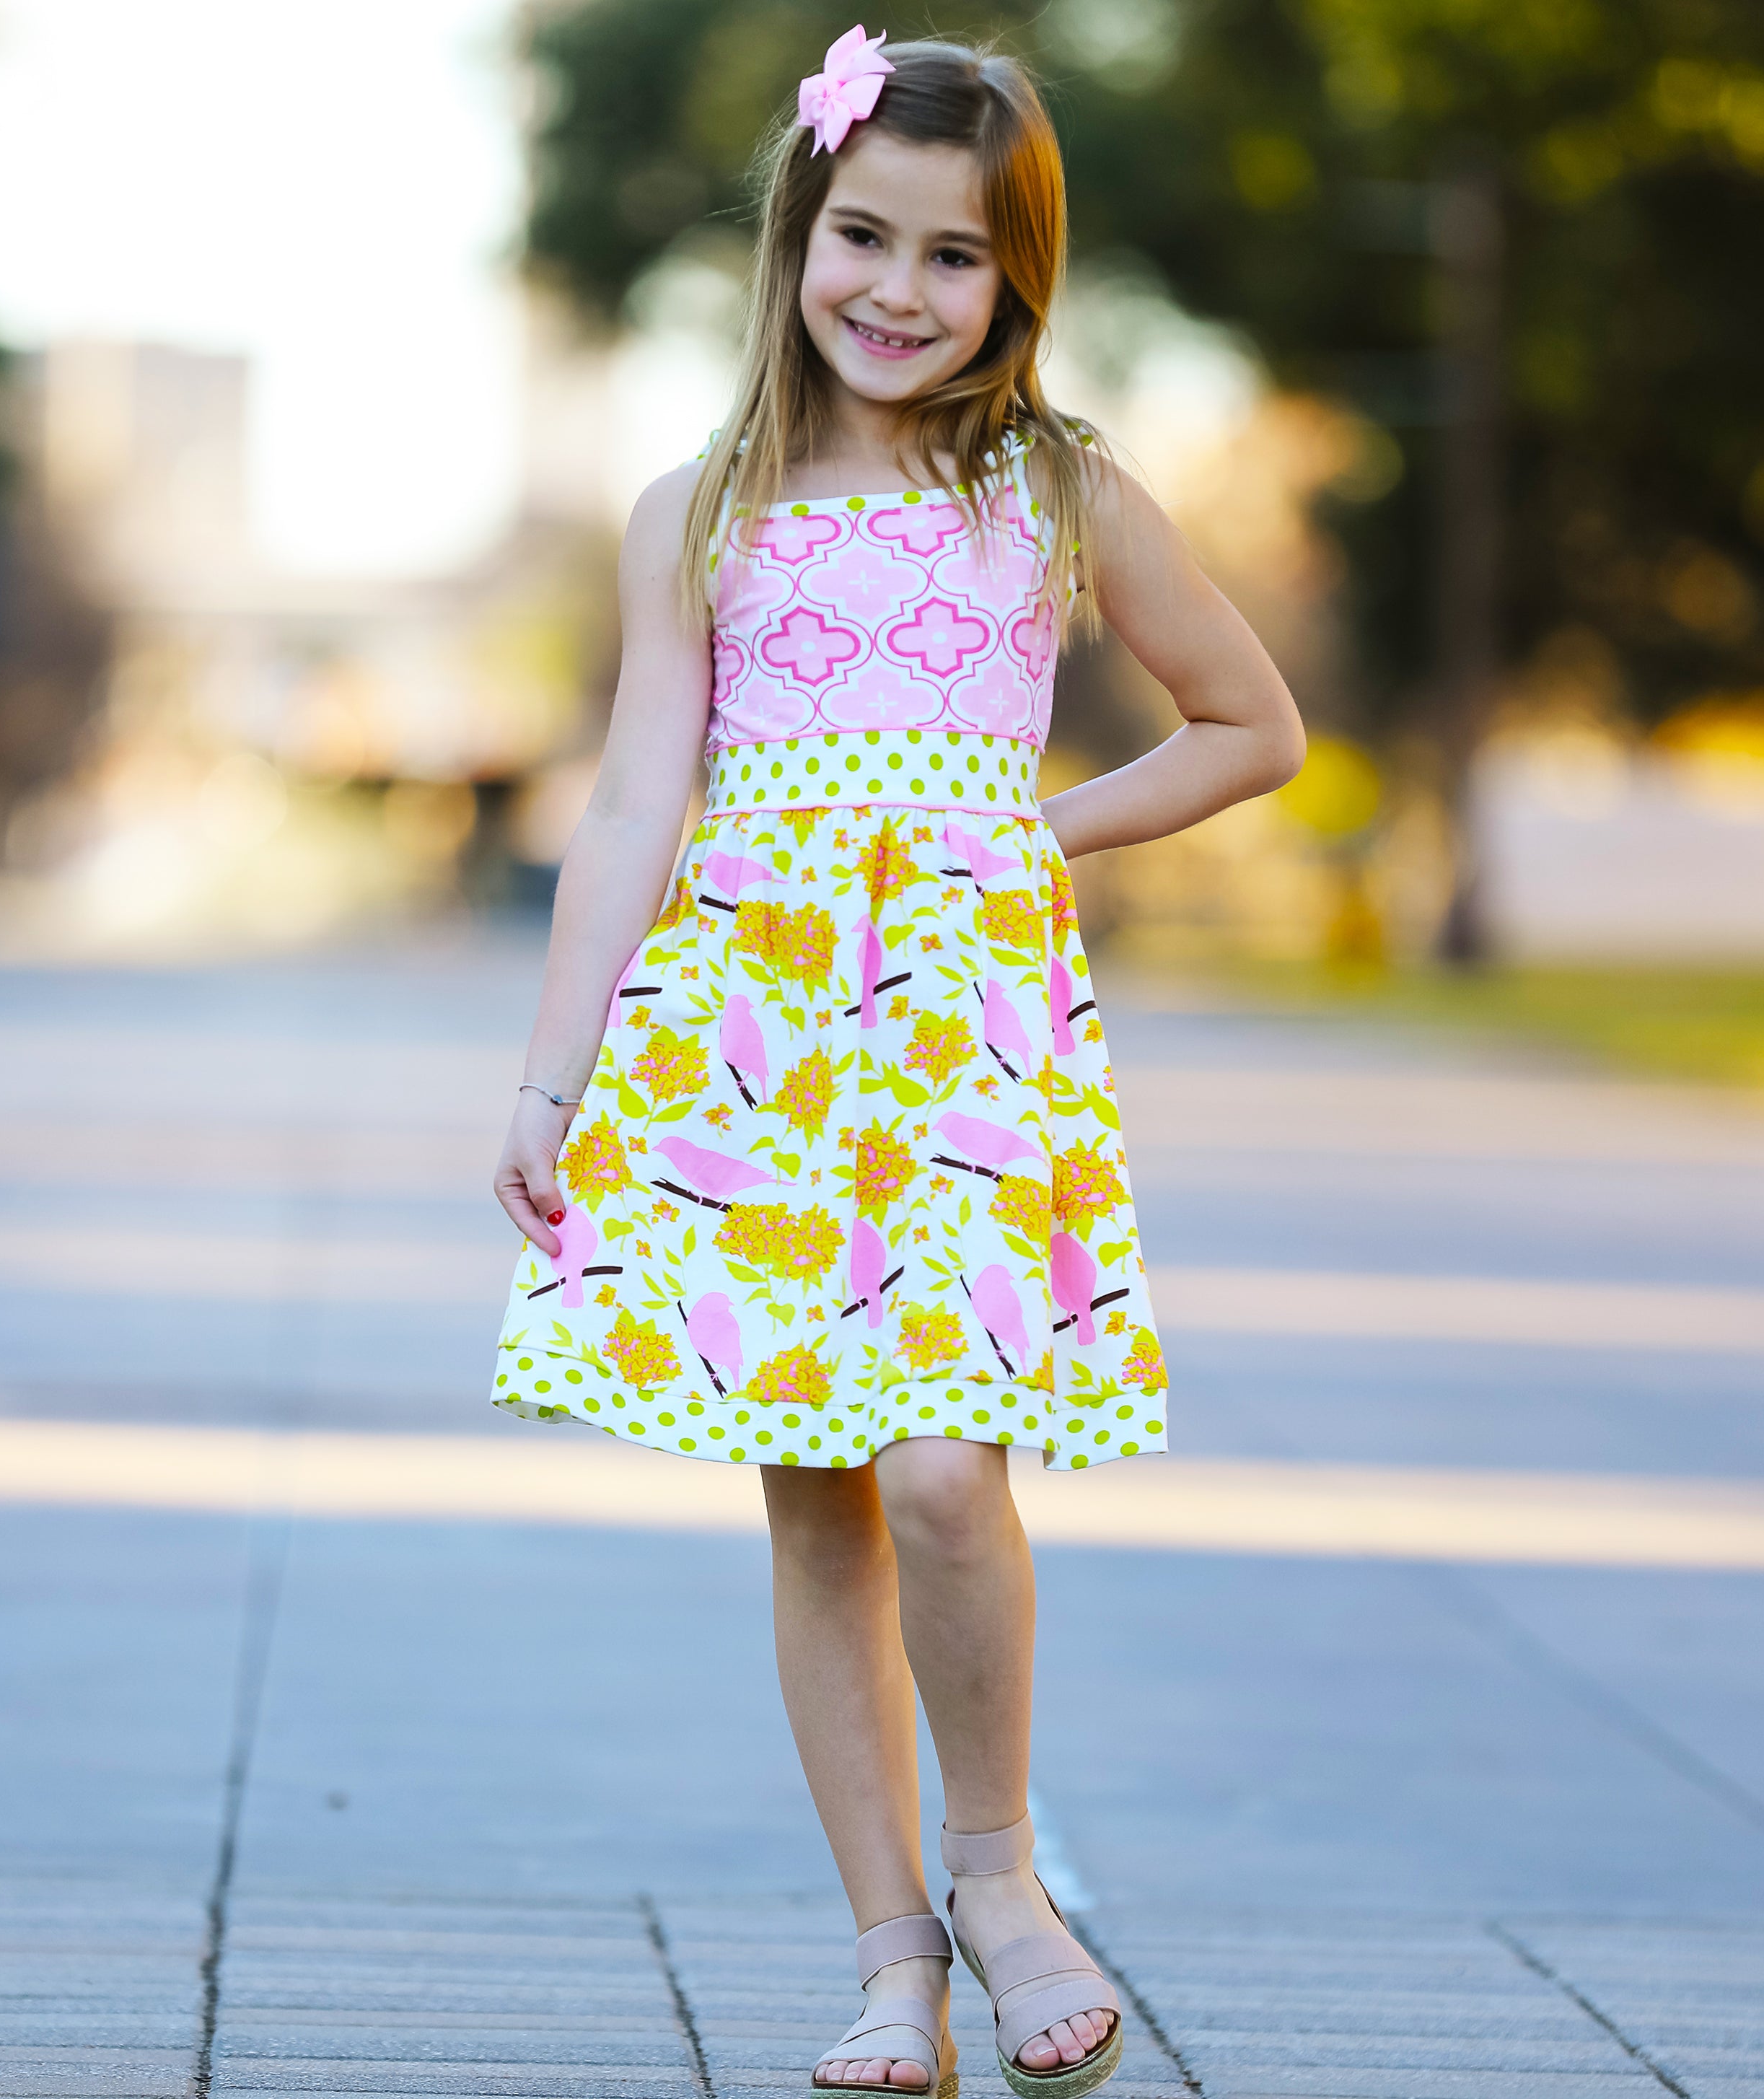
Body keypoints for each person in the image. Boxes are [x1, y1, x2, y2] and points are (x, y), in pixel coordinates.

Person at [491, 29, 1302, 2099]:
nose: (899, 291)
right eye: (866, 235)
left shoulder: (1055, 492)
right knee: (823, 1498)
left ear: (1015, 289)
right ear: (797, 236)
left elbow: (1249, 724)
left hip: (958, 1037)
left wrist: (1029, 836)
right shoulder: (702, 509)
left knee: (947, 1472)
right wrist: (553, 1075)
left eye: (957, 260)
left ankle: (1003, 1882)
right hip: (751, 1041)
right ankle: (889, 1964)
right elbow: (625, 808)